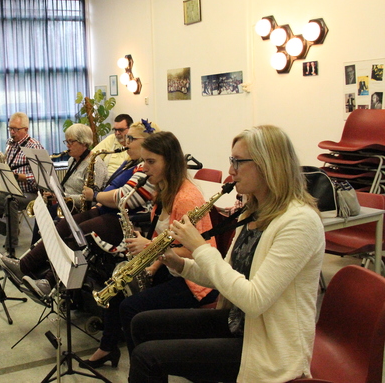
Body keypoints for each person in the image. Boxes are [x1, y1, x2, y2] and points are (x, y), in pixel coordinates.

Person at [129, 125, 325, 383]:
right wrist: (180, 263)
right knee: (141, 323)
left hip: (268, 346)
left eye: (238, 162)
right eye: (231, 161)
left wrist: (199, 248)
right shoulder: (253, 212)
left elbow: (254, 300)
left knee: (147, 356)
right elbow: (227, 273)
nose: (231, 171)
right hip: (240, 325)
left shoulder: (300, 222)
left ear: (268, 165)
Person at [84, 131, 217, 369]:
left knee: (131, 307)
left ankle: (144, 368)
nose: (144, 167)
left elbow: (201, 251)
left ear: (171, 161)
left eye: (151, 162)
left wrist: (152, 248)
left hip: (193, 280)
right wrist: (149, 266)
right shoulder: (163, 190)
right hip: (169, 267)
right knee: (116, 288)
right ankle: (107, 348)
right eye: (143, 161)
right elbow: (162, 238)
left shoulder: (187, 198)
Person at [0, 120, 159, 298]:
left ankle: (49, 283)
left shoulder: (146, 169)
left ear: (146, 142)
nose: (125, 142)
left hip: (121, 220)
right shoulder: (129, 162)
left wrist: (96, 197)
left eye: (131, 138)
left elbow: (124, 198)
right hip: (105, 210)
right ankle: (23, 266)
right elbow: (113, 189)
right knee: (63, 226)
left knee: (77, 234)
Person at [0, 112, 44, 258]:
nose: (12, 132)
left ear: (25, 129)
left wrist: (20, 177)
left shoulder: (35, 146)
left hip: (29, 193)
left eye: (15, 129)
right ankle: (12, 230)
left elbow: (41, 177)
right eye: (10, 129)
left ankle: (10, 248)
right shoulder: (11, 145)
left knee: (10, 200)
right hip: (9, 190)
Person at [29, 123, 108, 244]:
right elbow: (67, 187)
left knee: (51, 222)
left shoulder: (96, 164)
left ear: (84, 143)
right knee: (41, 215)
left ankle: (41, 254)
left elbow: (92, 198)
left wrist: (64, 197)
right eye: (66, 141)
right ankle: (34, 252)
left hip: (80, 209)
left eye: (71, 142)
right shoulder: (72, 160)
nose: (67, 145)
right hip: (67, 205)